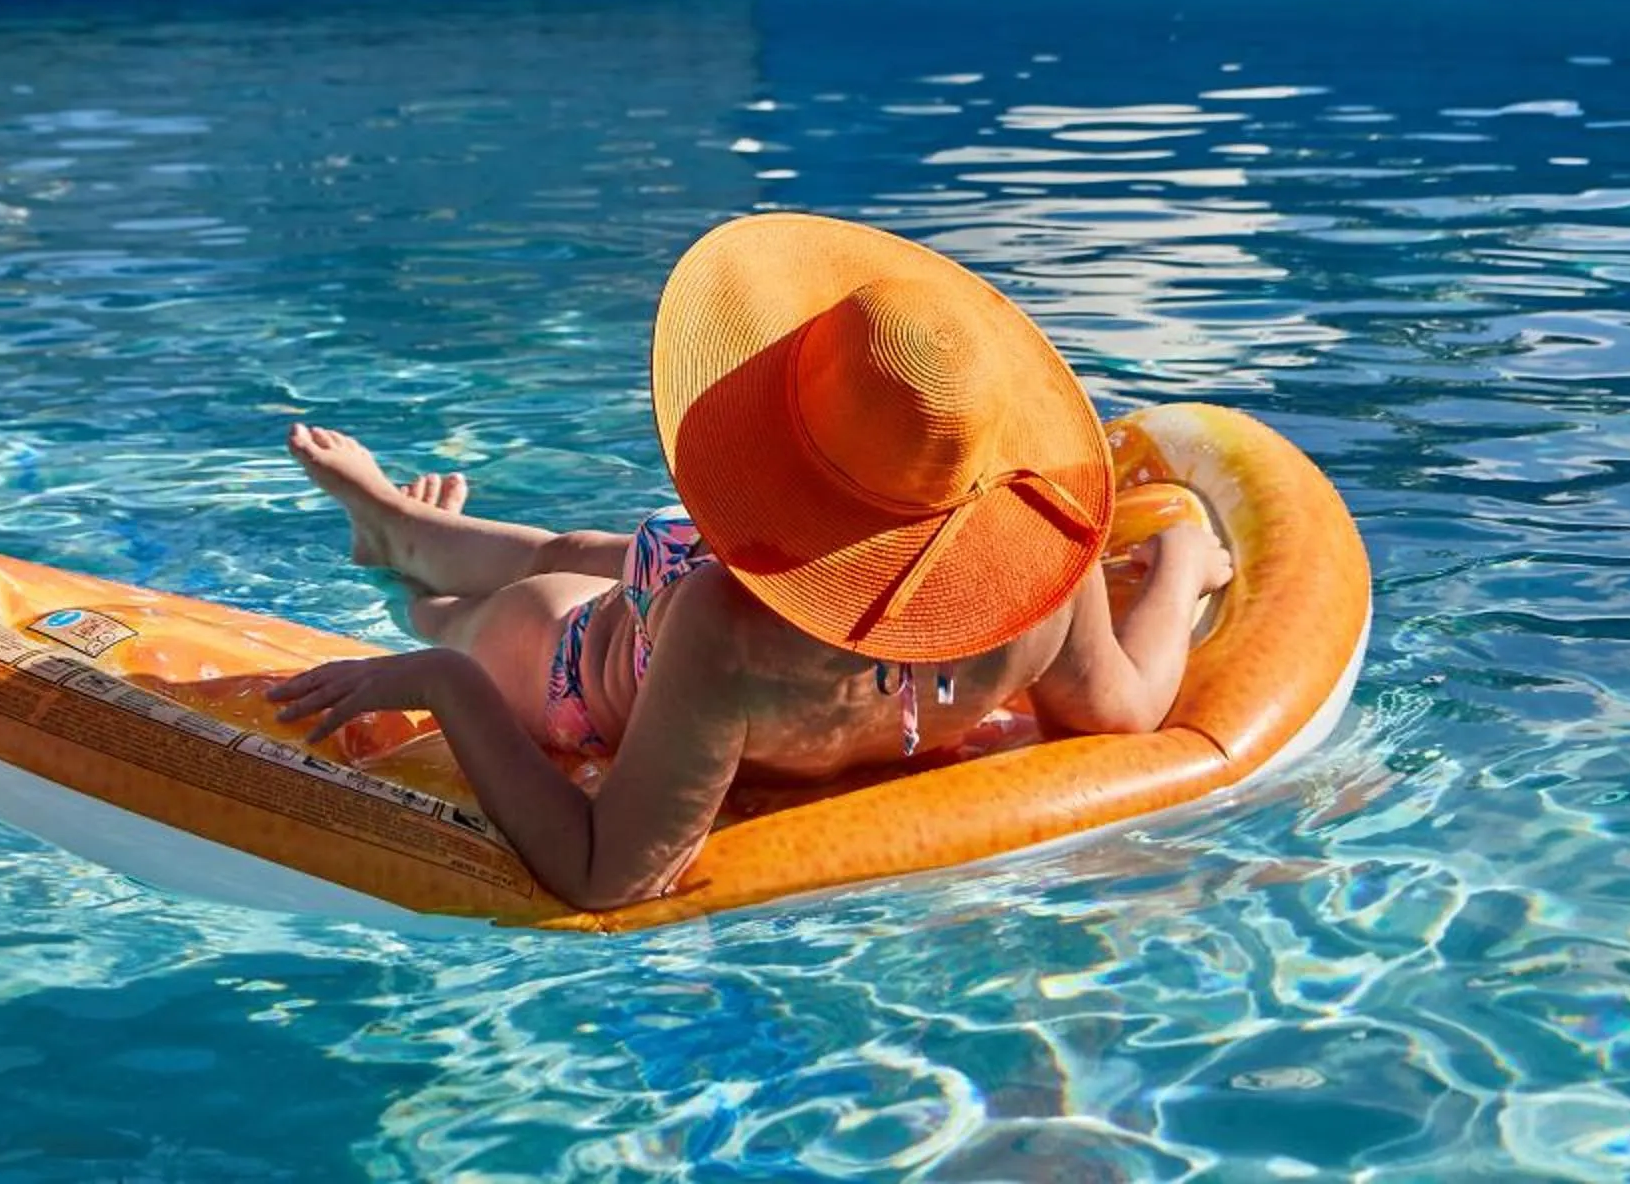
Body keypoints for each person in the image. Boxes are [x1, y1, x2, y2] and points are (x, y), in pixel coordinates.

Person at [270, 212, 1232, 913]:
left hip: (581, 661)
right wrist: (1181, 565)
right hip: (713, 596)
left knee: (496, 601)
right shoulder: (1037, 589)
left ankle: (405, 557)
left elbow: (609, 875)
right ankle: (395, 525)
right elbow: (1126, 710)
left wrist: (441, 678)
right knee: (575, 556)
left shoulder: (726, 635)